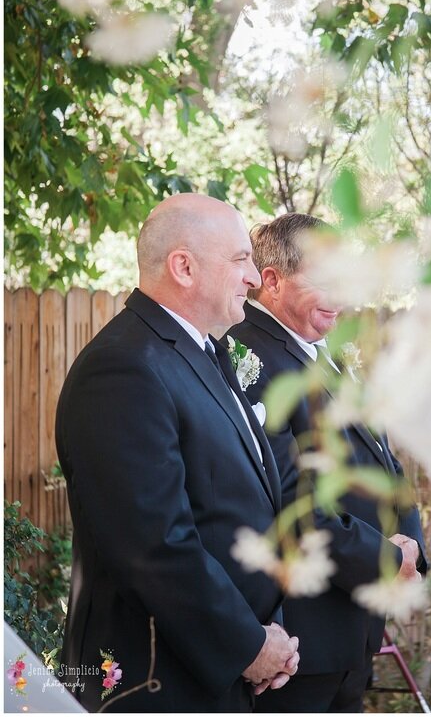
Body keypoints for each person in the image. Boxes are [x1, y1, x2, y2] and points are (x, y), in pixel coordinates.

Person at [55, 194, 299, 713]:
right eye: (240, 260)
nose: (254, 278)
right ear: (183, 267)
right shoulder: (123, 370)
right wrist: (247, 646)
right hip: (156, 681)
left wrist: (269, 633)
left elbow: (238, 505)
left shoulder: (200, 351)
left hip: (216, 673)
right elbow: (155, 544)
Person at [227, 213, 428, 713]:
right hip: (302, 639)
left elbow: (385, 464)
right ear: (271, 281)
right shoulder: (250, 359)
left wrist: (412, 553)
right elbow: (285, 497)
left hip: (354, 629)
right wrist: (385, 558)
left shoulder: (327, 352)